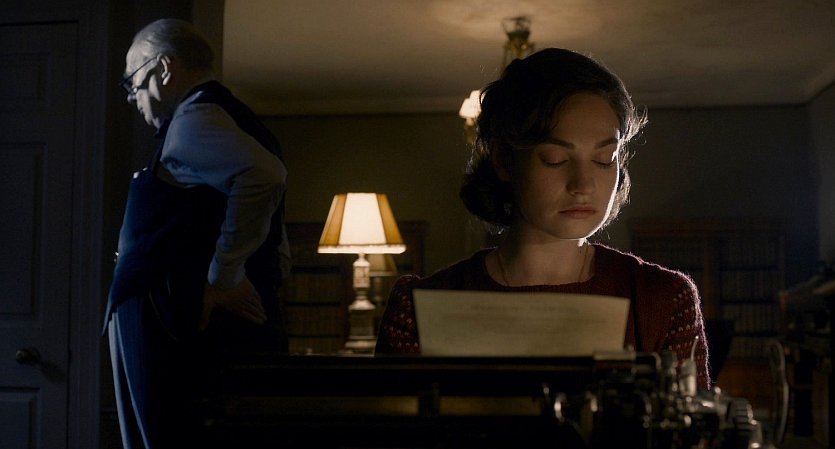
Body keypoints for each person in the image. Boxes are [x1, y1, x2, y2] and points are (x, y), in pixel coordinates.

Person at [375, 48, 711, 389]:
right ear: (504, 160)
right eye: (554, 159)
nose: (583, 185)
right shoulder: (419, 309)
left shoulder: (663, 298)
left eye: (604, 158)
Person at [102, 18, 290, 449]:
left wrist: (225, 275)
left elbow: (264, 177)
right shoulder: (234, 117)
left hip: (164, 315)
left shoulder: (194, 118)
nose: (131, 96)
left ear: (164, 68)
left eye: (133, 80)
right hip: (171, 310)